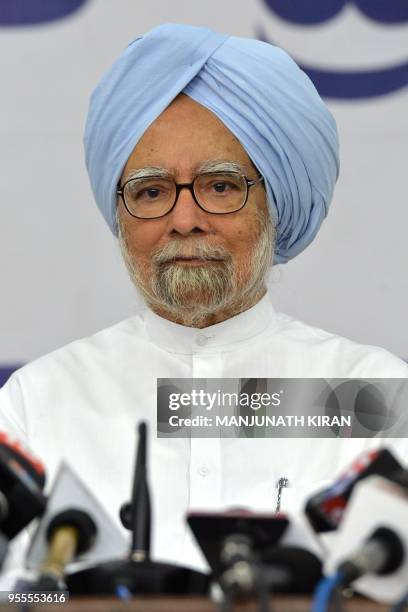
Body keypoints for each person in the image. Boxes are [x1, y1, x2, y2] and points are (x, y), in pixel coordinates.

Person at [0, 23, 407, 578]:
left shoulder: (373, 395)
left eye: (220, 186)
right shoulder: (38, 406)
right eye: (151, 191)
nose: (184, 220)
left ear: (274, 202)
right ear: (118, 215)